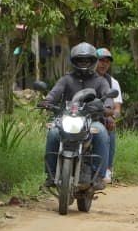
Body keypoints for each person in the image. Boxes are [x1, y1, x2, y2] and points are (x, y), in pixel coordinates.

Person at [41, 42, 112, 190]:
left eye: (87, 60)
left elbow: (108, 97)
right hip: (67, 119)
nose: (84, 63)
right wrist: (47, 101)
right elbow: (55, 92)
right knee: (53, 133)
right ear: (74, 61)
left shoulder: (100, 81)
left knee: (101, 133)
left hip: (91, 121)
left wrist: (107, 107)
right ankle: (51, 174)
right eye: (80, 60)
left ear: (93, 61)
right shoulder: (66, 79)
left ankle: (98, 176)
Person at [95, 47, 123, 183]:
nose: (104, 64)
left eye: (107, 61)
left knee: (110, 128)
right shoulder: (83, 78)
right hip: (82, 116)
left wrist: (112, 116)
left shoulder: (113, 83)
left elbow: (117, 107)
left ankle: (107, 168)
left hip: (102, 117)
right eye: (101, 60)